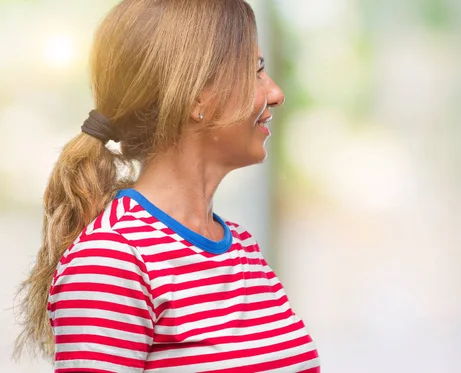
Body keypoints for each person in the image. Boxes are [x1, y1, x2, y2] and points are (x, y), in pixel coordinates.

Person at [14, 0, 320, 372]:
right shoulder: (113, 259)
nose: (275, 93)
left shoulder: (241, 248)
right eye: (255, 71)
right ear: (197, 98)